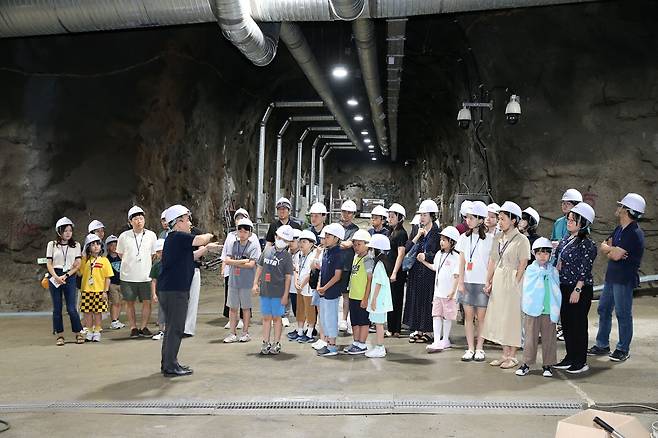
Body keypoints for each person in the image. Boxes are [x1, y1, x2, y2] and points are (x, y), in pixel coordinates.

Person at [159, 205, 218, 377]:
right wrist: (209, 236)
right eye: (187, 220)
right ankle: (170, 365)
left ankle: (169, 362)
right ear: (178, 223)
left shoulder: (175, 239)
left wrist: (207, 249)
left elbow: (191, 256)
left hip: (172, 288)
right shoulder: (178, 236)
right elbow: (200, 239)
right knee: (176, 328)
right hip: (175, 289)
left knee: (172, 328)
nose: (190, 223)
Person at [589, 193, 646, 363]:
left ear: (627, 210)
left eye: (621, 206)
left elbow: (614, 254)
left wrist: (612, 250)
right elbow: (605, 247)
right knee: (604, 309)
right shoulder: (620, 229)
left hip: (623, 279)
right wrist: (611, 249)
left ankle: (623, 349)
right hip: (612, 277)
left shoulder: (633, 233)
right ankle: (602, 344)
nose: (618, 208)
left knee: (622, 313)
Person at [481, 201, 531, 370]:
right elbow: (493, 261)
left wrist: (515, 283)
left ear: (513, 220)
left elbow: (523, 264)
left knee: (512, 318)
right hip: (499, 278)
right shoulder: (497, 237)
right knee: (499, 316)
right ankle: (504, 354)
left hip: (512, 280)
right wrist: (488, 281)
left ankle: (513, 356)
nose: (500, 222)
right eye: (499, 219)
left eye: (503, 219)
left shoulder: (522, 240)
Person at [552, 202, 597, 374]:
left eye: (573, 220)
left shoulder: (587, 244)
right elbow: (560, 259)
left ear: (583, 223)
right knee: (568, 323)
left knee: (578, 324)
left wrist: (577, 289)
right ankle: (570, 357)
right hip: (564, 285)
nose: (569, 222)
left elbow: (585, 269)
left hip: (579, 289)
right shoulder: (567, 239)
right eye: (569, 219)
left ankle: (580, 360)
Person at [516, 238, 561, 378]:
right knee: (530, 338)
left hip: (548, 309)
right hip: (533, 309)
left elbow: (556, 289)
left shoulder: (553, 271)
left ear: (550, 255)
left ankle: (548, 364)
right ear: (534, 254)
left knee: (549, 339)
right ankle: (526, 363)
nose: (543, 256)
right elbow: (528, 288)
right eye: (540, 253)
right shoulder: (531, 270)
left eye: (546, 253)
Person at [456, 201, 494, 362]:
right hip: (468, 281)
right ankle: (470, 348)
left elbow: (492, 262)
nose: (468, 221)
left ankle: (480, 348)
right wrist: (460, 281)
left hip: (482, 283)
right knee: (468, 317)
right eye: (467, 218)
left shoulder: (490, 239)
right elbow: (462, 261)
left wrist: (489, 282)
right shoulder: (464, 238)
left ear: (480, 219)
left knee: (481, 318)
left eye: (471, 218)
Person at [116, 206, 158, 338]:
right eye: (135, 219)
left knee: (147, 301)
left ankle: (144, 326)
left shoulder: (151, 235)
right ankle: (133, 327)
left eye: (141, 218)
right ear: (130, 221)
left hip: (146, 275)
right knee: (129, 302)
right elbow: (120, 253)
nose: (139, 221)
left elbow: (153, 254)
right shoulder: (124, 236)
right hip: (128, 276)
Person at [252, 225, 294, 355]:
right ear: (275, 236)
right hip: (265, 291)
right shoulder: (267, 251)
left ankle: (276, 342)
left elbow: (288, 277)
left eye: (285, 240)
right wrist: (255, 284)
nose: (281, 241)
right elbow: (259, 267)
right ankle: (265, 342)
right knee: (266, 317)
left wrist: (286, 294)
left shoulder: (287, 257)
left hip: (278, 292)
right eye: (280, 237)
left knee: (277, 318)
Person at [405, 199, 441, 344]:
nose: (422, 218)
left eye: (425, 215)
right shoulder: (418, 231)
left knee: (427, 300)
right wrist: (418, 236)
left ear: (432, 215)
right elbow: (408, 248)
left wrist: (427, 256)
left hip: (428, 272)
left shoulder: (437, 233)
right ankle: (419, 328)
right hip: (416, 271)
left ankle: (428, 330)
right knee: (417, 299)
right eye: (421, 215)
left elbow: (439, 252)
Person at [46, 217, 84, 346]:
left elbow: (78, 264)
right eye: (65, 230)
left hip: (70, 276)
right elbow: (49, 263)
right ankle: (59, 335)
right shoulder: (52, 244)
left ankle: (78, 332)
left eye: (70, 230)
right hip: (55, 276)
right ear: (59, 231)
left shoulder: (76, 245)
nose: (68, 233)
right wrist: (56, 277)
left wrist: (66, 275)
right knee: (57, 308)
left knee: (71, 308)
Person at [423, 226, 461, 352]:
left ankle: (445, 339)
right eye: (441, 239)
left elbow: (457, 275)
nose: (441, 242)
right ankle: (437, 340)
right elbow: (435, 267)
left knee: (447, 317)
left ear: (452, 242)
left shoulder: (456, 257)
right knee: (436, 315)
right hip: (438, 292)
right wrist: (423, 262)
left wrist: (453, 291)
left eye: (444, 240)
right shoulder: (439, 254)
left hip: (449, 293)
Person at [223, 218, 261, 344]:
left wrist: (234, 263)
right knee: (232, 307)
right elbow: (227, 260)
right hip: (233, 281)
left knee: (245, 308)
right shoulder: (234, 244)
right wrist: (242, 261)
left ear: (250, 232)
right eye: (240, 230)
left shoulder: (253, 245)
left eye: (245, 230)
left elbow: (251, 265)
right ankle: (232, 333)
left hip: (246, 282)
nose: (242, 232)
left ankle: (245, 333)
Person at [315, 223, 345, 357]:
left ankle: (332, 346)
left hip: (331, 292)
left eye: (328, 236)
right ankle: (327, 343)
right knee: (325, 318)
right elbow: (324, 271)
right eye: (325, 236)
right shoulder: (327, 251)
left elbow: (337, 276)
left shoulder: (338, 253)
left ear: (337, 238)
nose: (325, 238)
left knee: (331, 318)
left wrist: (324, 287)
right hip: (324, 291)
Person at [79, 234, 114, 342]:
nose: (95, 247)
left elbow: (107, 277)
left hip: (99, 291)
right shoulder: (84, 260)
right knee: (87, 312)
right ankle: (89, 330)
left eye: (98, 244)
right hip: (86, 290)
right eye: (92, 244)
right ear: (88, 247)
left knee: (98, 312)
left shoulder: (104, 260)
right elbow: (79, 273)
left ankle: (97, 330)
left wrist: (105, 291)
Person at [343, 230, 374, 355]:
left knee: (363, 321)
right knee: (354, 320)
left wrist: (366, 298)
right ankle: (356, 342)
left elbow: (369, 279)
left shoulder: (368, 259)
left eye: (359, 244)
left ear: (367, 244)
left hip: (362, 296)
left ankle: (362, 343)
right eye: (354, 244)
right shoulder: (356, 257)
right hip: (353, 295)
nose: (356, 247)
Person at [365, 234, 394, 358]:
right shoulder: (380, 262)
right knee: (378, 324)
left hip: (379, 299)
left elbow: (378, 283)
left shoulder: (380, 264)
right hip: (379, 299)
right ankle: (378, 346)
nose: (369, 251)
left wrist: (374, 299)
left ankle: (380, 347)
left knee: (379, 324)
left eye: (371, 249)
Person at [338, 200, 360, 333]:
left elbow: (348, 244)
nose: (346, 214)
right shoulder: (335, 226)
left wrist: (337, 242)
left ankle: (344, 320)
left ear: (353, 214)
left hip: (347, 266)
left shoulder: (355, 230)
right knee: (332, 294)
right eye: (344, 212)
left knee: (346, 295)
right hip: (334, 265)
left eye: (349, 212)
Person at [387, 203, 408, 338]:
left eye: (392, 216)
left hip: (397, 271)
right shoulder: (391, 231)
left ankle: (395, 328)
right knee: (390, 299)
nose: (389, 219)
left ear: (400, 217)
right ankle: (391, 327)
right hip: (390, 269)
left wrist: (395, 271)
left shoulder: (401, 233)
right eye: (389, 216)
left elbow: (401, 253)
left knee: (396, 299)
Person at [105, 235, 125, 330]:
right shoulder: (107, 259)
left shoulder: (121, 257)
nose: (114, 247)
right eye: (112, 245)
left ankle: (117, 319)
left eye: (116, 244)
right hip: (112, 283)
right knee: (115, 302)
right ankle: (113, 320)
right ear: (108, 247)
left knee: (120, 302)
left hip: (121, 282)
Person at [283, 228, 302, 328]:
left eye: (293, 240)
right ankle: (284, 317)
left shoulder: (302, 254)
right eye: (289, 240)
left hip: (297, 286)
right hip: (286, 284)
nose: (291, 243)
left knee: (298, 309)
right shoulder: (286, 252)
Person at [150, 239, 165, 340]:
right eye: (159, 252)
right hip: (161, 293)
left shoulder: (174, 264)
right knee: (162, 312)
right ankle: (161, 331)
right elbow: (154, 281)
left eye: (163, 251)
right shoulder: (156, 266)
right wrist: (154, 294)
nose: (161, 254)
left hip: (173, 292)